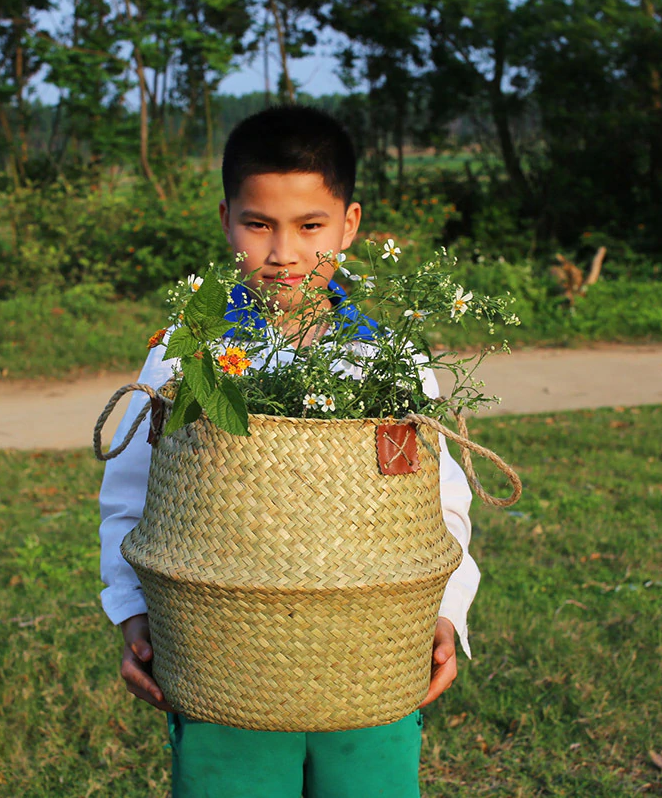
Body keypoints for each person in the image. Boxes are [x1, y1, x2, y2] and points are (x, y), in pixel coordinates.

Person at [99, 105, 480, 797]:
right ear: (226, 220)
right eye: (258, 224)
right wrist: (131, 610)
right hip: (222, 662)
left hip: (370, 660)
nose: (285, 253)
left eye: (311, 227)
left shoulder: (387, 360)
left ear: (350, 224)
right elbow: (131, 493)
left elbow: (440, 499)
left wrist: (446, 610)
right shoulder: (185, 355)